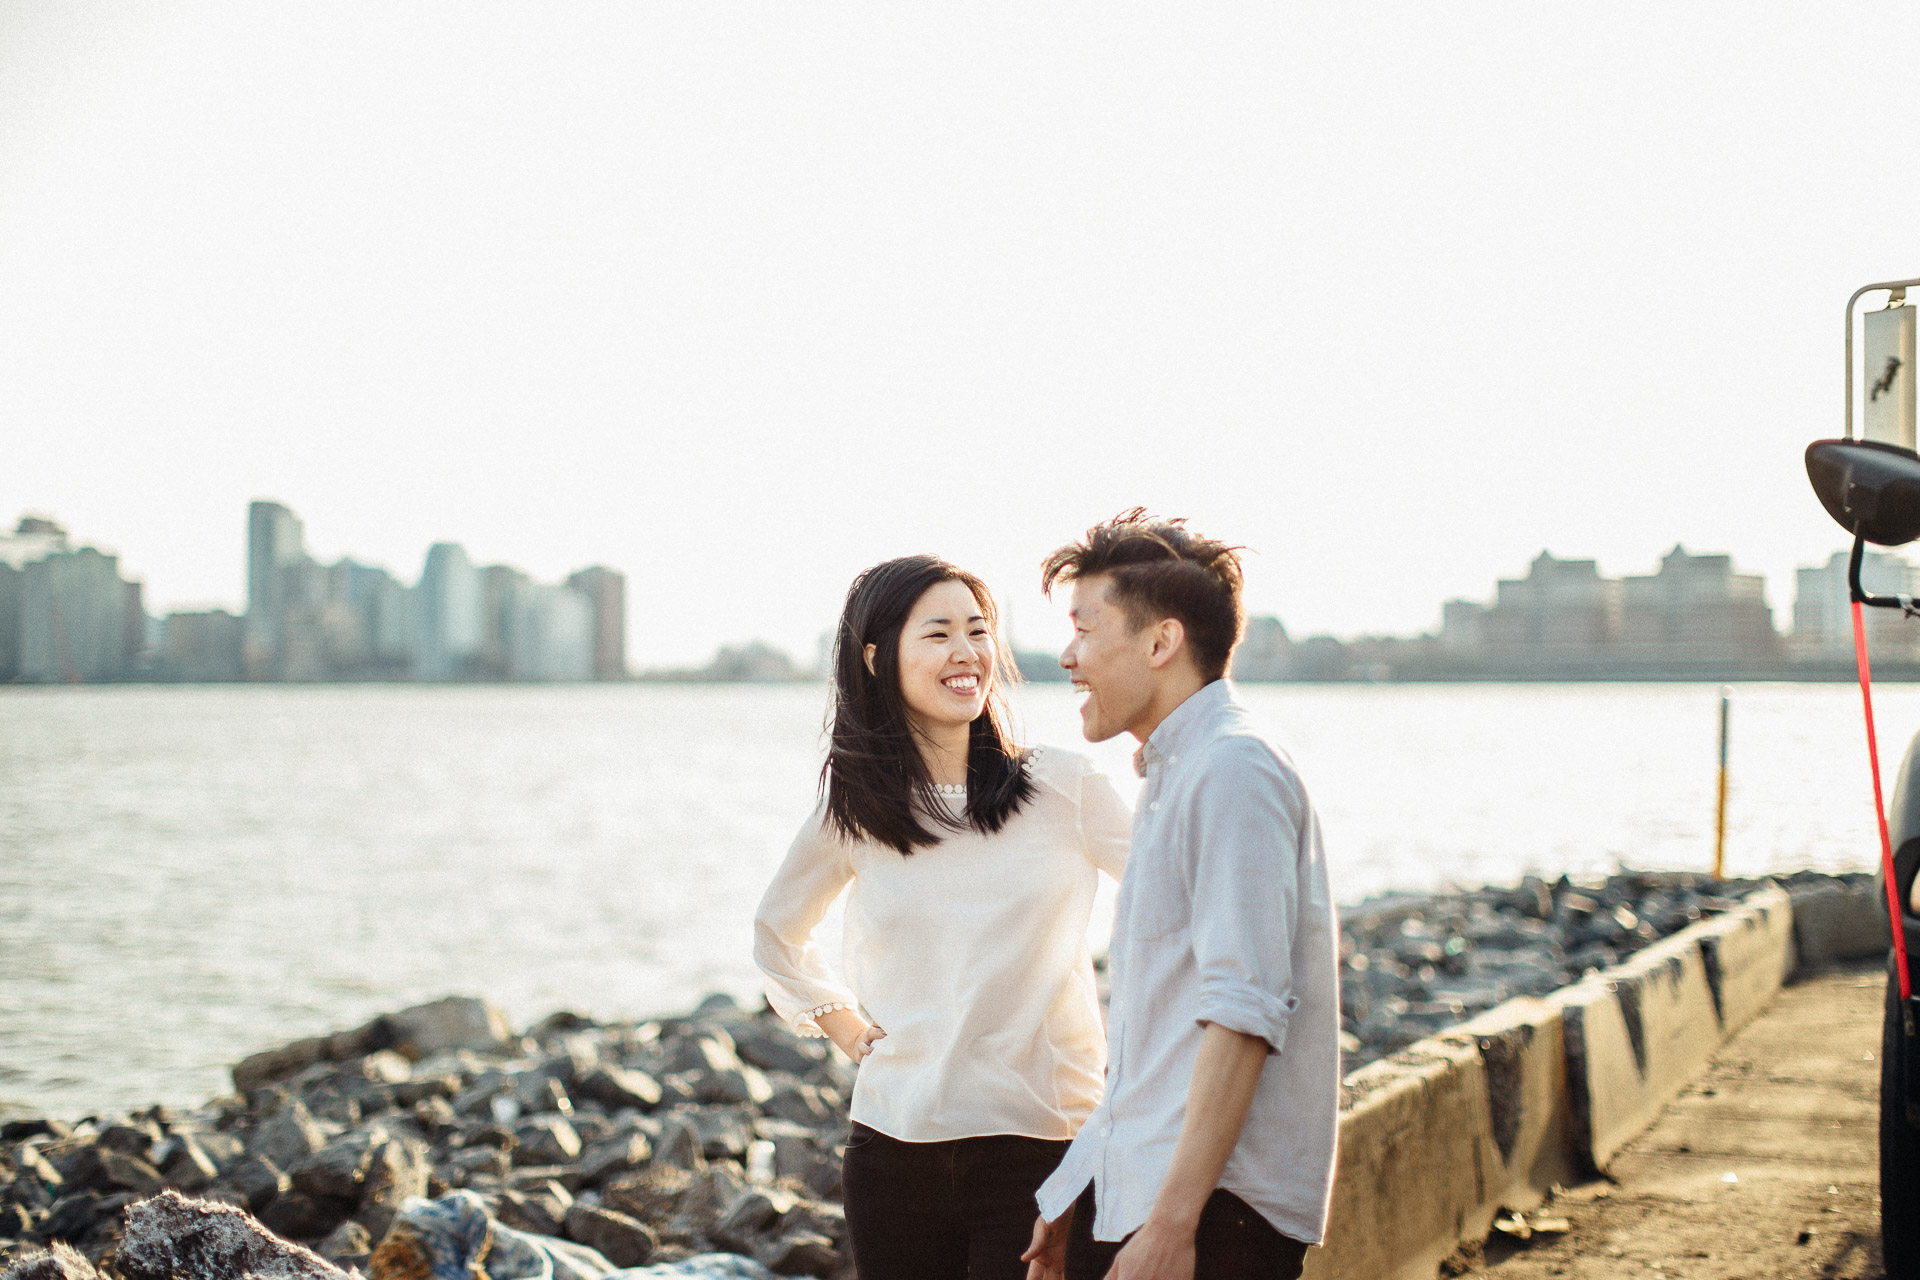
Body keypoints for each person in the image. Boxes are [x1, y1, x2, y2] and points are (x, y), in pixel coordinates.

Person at [754, 554, 1133, 1280]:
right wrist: (845, 1026)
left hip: (1044, 1147)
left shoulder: (1065, 787)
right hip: (893, 1149)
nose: (967, 652)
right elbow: (777, 931)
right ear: (877, 658)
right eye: (938, 634)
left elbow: (1175, 899)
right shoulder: (856, 809)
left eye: (978, 630)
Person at [1021, 511, 1340, 1280]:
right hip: (1159, 1198)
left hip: (1213, 1215)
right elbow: (1158, 1041)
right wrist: (1079, 1187)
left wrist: (1172, 1222)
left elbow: (1244, 1011)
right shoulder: (1179, 774)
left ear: (1161, 642)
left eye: (1084, 629)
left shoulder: (1232, 769)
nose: (1067, 656)